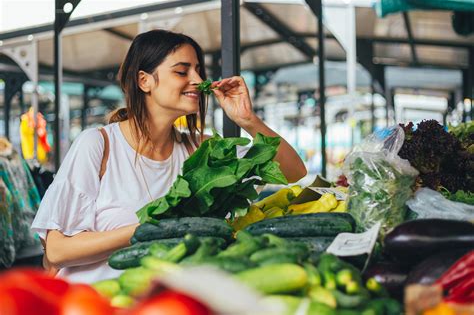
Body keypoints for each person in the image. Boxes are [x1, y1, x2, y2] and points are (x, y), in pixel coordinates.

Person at [31, 29, 307, 283]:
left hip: (162, 303)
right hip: (90, 303)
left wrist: (247, 119)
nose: (198, 81)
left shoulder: (200, 151)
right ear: (145, 81)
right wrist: (151, 228)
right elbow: (56, 251)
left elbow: (294, 171)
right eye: (181, 71)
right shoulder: (99, 144)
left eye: (198, 70)